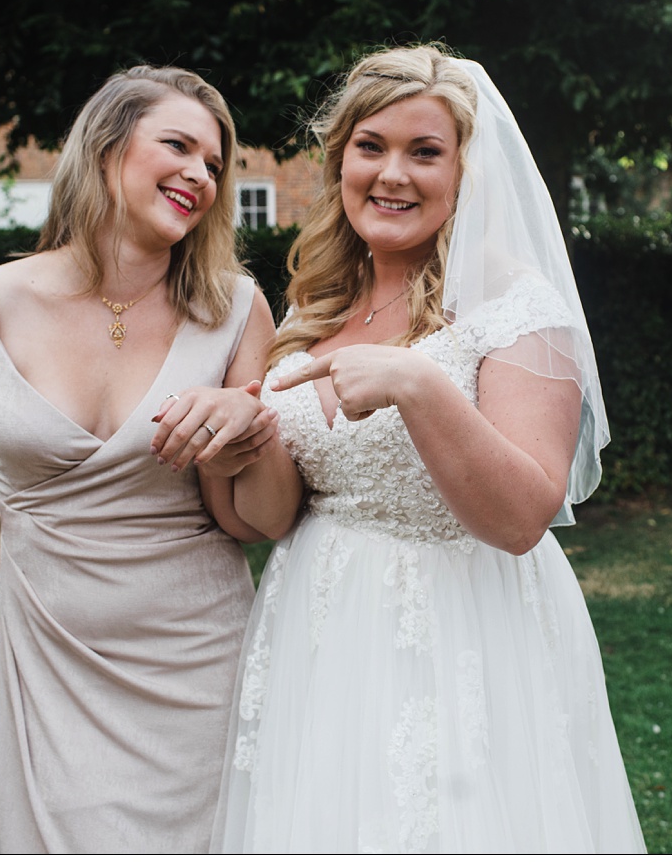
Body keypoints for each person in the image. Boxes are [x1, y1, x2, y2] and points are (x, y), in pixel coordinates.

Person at [207, 46, 646, 852]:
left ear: (465, 171)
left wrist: (420, 386)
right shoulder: (319, 301)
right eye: (370, 147)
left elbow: (522, 517)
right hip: (320, 622)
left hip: (460, 628)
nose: (392, 174)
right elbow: (271, 516)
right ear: (341, 161)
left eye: (425, 151)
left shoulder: (515, 304)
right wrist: (237, 437)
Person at [0, 65, 294, 853]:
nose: (200, 173)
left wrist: (252, 425)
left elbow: (256, 519)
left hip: (201, 667)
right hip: (45, 664)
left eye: (215, 165)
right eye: (179, 145)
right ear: (104, 146)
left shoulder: (236, 309)